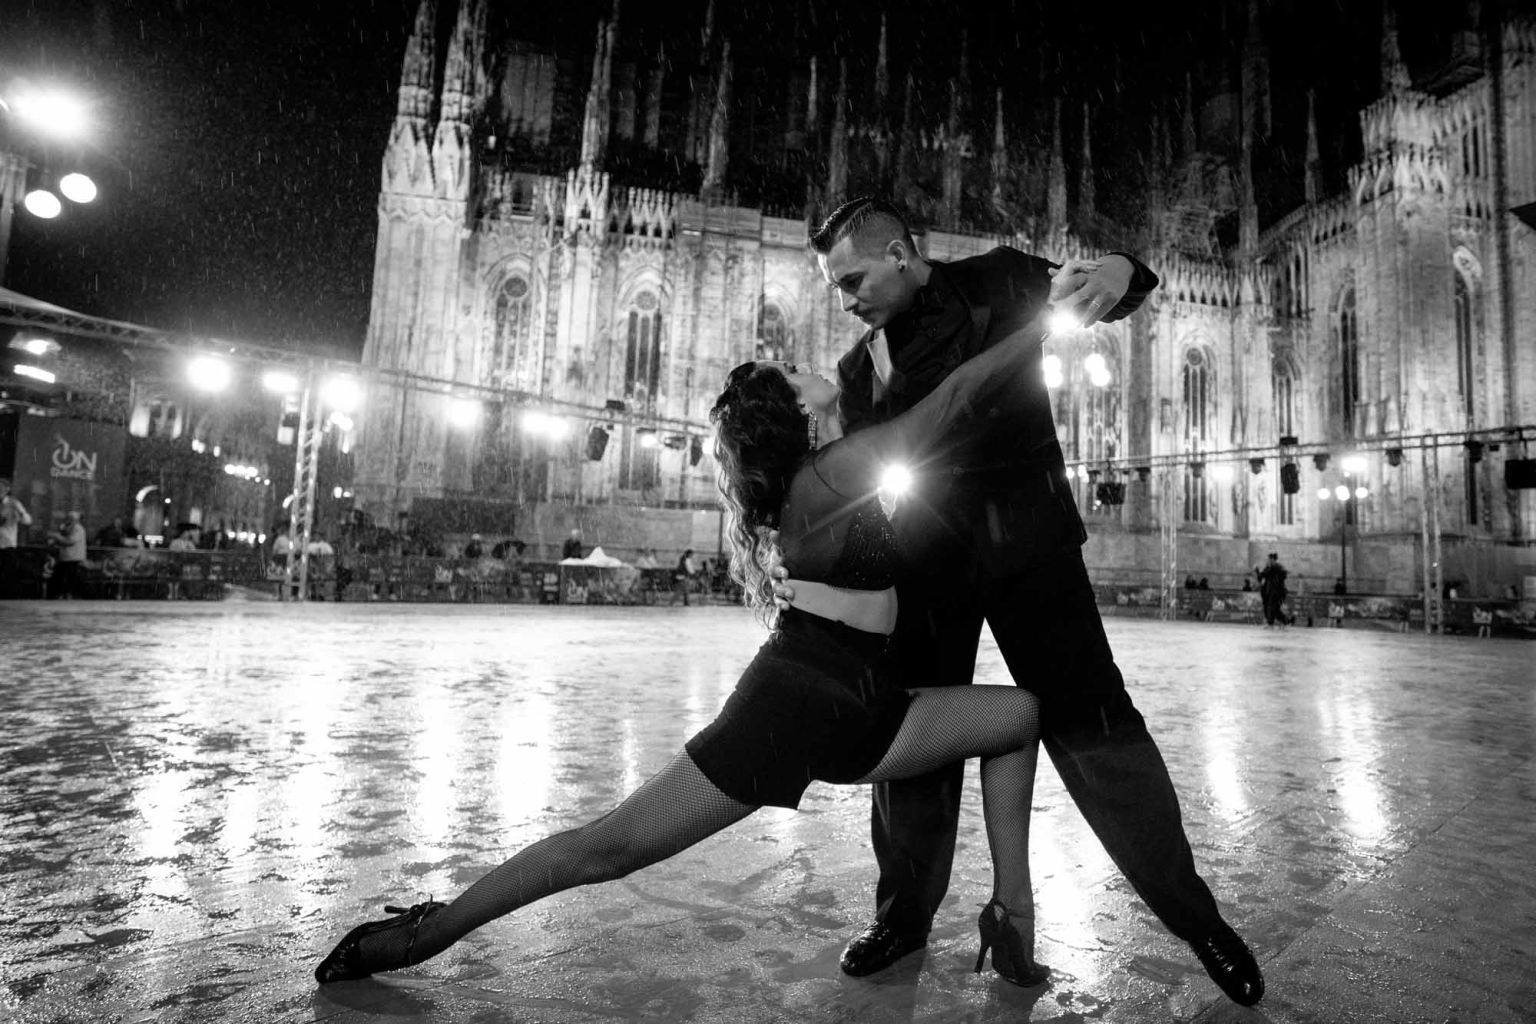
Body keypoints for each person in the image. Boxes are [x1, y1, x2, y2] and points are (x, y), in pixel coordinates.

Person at [316, 316, 1059, 989]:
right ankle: (425, 934)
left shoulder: (831, 469)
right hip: (795, 708)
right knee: (608, 848)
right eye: (791, 373)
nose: (806, 365)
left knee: (1019, 716)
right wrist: (1043, 328)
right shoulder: (833, 475)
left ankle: (1011, 910)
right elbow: (955, 398)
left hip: (867, 710)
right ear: (794, 413)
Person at [774, 196, 1261, 1006]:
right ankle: (902, 919)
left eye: (853, 279)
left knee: (1097, 726)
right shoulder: (859, 371)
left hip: (1032, 547)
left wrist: (1120, 270)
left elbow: (1097, 287)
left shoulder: (998, 278)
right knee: (918, 746)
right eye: (836, 287)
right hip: (928, 565)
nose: (846, 299)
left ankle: (1198, 920)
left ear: (899, 253)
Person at [0, 478, 33, 596]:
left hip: (7, 544)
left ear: (7, 489)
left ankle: (7, 598)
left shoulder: (14, 503)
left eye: (1, 487)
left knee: (8, 574)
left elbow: (27, 521)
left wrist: (20, 512)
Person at [49, 510, 88, 600]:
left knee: (71, 580)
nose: (67, 520)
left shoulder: (78, 529)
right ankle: (60, 595)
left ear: (76, 520)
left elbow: (70, 542)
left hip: (74, 559)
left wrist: (56, 537)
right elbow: (61, 540)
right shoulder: (66, 529)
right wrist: (55, 540)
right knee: (59, 578)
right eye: (67, 517)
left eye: (70, 518)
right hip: (65, 559)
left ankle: (69, 596)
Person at [1258, 554, 1289, 627]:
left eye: (1269, 559)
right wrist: (1258, 571)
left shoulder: (1277, 567)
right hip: (1272, 592)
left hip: (1279, 592)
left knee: (1273, 608)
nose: (1268, 561)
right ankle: (1284, 621)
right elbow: (1262, 575)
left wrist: (1272, 569)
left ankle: (1275, 623)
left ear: (1273, 559)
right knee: (1273, 608)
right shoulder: (1269, 567)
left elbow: (1283, 575)